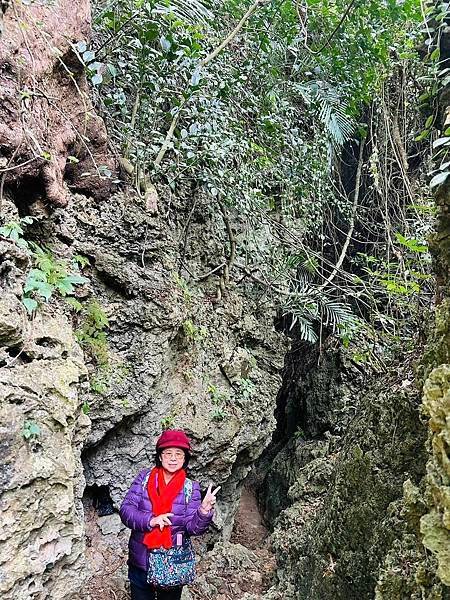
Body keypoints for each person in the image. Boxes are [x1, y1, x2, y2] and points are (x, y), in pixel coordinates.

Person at [120, 429, 220, 600]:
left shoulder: (191, 487)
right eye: (168, 453)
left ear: (184, 458)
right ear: (160, 456)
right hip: (142, 559)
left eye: (178, 454)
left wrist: (204, 511)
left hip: (173, 562)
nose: (173, 458)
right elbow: (126, 510)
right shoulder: (144, 479)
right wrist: (151, 521)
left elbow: (192, 528)